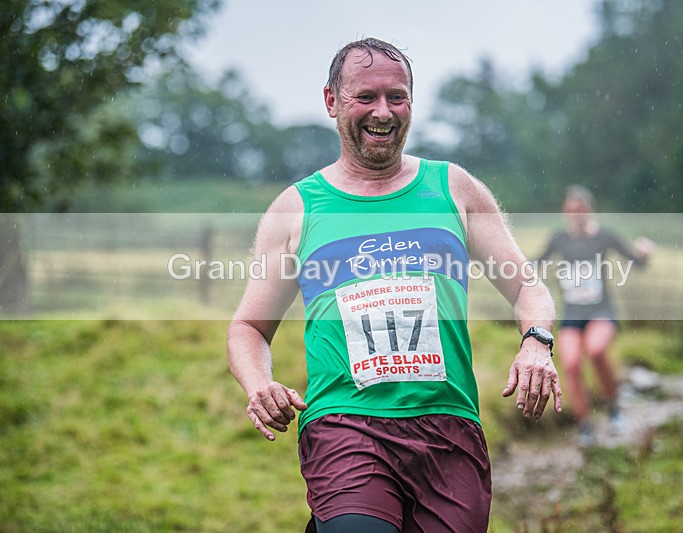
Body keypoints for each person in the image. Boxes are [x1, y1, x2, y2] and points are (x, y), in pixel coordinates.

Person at [227, 38, 561, 533]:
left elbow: (528, 289)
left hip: (448, 428)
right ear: (331, 102)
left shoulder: (454, 189)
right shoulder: (296, 209)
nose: (383, 111)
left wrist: (537, 343)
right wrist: (259, 386)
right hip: (346, 425)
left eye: (397, 96)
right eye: (365, 97)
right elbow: (249, 327)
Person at [537, 185, 655, 447]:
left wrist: (644, 253)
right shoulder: (559, 239)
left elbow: (636, 262)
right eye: (570, 212)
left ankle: (613, 405)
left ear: (589, 211)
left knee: (596, 350)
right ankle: (585, 424)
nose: (575, 217)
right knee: (570, 364)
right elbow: (536, 264)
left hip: (601, 311)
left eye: (579, 212)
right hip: (572, 314)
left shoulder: (604, 237)